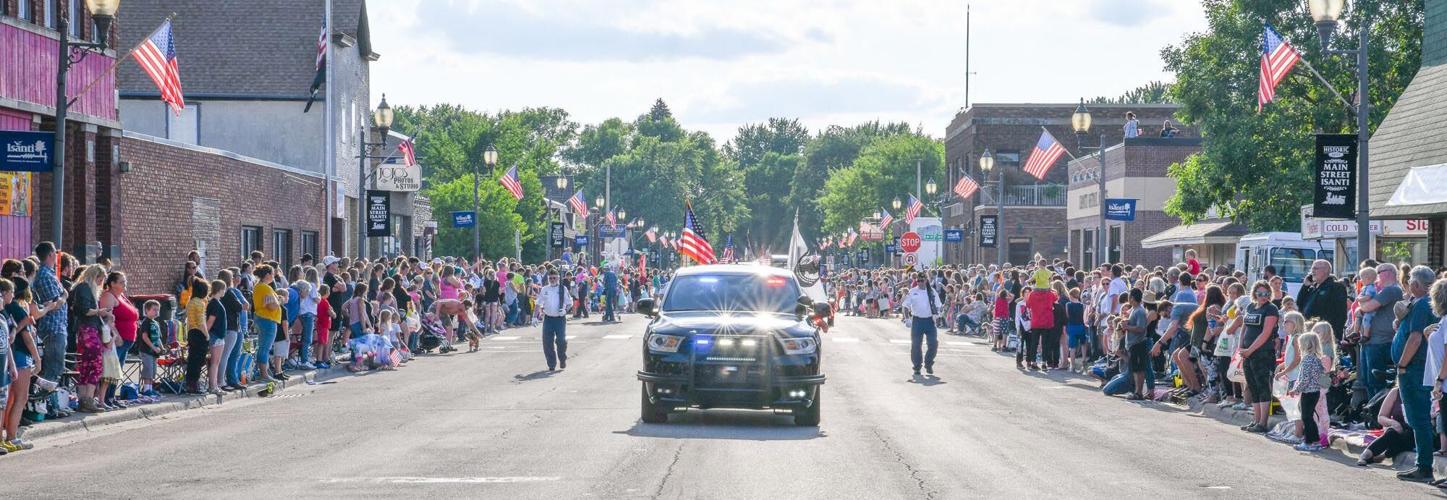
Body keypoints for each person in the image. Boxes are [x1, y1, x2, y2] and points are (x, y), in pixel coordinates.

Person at [1394, 266, 1441, 482]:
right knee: (1418, 417)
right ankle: (1423, 464)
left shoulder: (1422, 304)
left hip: (1414, 368)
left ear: (1415, 284)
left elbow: (1415, 338)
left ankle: (1423, 466)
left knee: (1418, 417)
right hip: (1417, 367)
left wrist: (1402, 365)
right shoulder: (1421, 303)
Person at [30, 242, 70, 419]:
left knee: (57, 368)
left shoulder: (51, 274)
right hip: (53, 328)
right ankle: (46, 407)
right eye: (55, 253)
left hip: (59, 327)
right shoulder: (45, 275)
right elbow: (55, 302)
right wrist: (63, 295)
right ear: (50, 254)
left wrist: (63, 297)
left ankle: (52, 405)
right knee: (53, 368)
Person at [1356, 264, 1402, 400]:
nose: (1376, 276)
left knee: (1376, 382)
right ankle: (1373, 414)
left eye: (1378, 272)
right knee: (1367, 380)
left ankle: (1378, 415)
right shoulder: (1383, 290)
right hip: (1371, 342)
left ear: (1388, 273)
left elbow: (1368, 307)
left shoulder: (1391, 290)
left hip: (1380, 342)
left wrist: (1361, 308)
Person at [72, 265, 114, 411]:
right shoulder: (84, 288)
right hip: (88, 330)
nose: (100, 283)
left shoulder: (81, 288)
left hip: (85, 330)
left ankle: (83, 400)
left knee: (85, 365)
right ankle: (88, 399)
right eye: (100, 279)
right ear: (94, 276)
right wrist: (100, 311)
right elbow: (84, 310)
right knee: (96, 364)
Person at [1239, 281, 1279, 433]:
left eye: (1267, 294)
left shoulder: (1271, 309)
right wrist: (1241, 346)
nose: (1264, 297)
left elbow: (1266, 332)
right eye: (1260, 293)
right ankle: (1255, 420)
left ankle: (1263, 422)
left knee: (1262, 385)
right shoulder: (1250, 306)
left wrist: (1250, 349)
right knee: (1252, 385)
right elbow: (1244, 326)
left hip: (1263, 352)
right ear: (1254, 293)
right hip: (1247, 352)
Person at [1287, 332, 1329, 451]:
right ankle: (1315, 441)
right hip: (1315, 391)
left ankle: (1309, 441)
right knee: (1309, 417)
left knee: (1306, 417)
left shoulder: (1307, 360)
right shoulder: (1316, 358)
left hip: (1308, 392)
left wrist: (1295, 390)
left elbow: (1304, 379)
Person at [1296, 259, 1348, 344]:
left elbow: (1341, 313)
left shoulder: (1335, 287)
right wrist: (1305, 287)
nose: (1312, 271)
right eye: (1312, 269)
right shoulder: (1313, 288)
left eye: (1315, 268)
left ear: (1326, 270)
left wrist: (1336, 334)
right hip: (1310, 330)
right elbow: (1299, 304)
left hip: (1325, 333)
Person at [903, 272, 943, 376]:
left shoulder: (932, 291)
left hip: (930, 320)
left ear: (926, 280)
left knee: (933, 344)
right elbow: (906, 306)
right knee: (916, 345)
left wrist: (938, 314)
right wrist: (907, 318)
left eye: (922, 280)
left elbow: (938, 305)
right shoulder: (912, 291)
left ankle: (928, 363)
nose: (920, 283)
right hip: (917, 321)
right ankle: (917, 366)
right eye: (918, 281)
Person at [252, 265, 284, 382]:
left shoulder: (259, 287)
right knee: (265, 348)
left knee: (263, 347)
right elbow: (272, 306)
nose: (274, 276)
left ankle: (263, 373)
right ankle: (264, 375)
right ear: (267, 275)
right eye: (272, 273)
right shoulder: (265, 288)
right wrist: (280, 300)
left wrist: (277, 300)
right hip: (267, 319)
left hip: (263, 318)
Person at [538, 270, 572, 371]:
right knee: (547, 342)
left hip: (560, 319)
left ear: (558, 278)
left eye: (554, 278)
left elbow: (570, 303)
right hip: (548, 318)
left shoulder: (562, 288)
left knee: (561, 340)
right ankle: (551, 364)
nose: (552, 280)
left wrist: (565, 310)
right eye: (550, 278)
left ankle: (562, 358)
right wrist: (535, 316)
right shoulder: (544, 289)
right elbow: (538, 303)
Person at [1122, 289, 1150, 400]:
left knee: (1139, 369)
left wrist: (1127, 327)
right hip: (1132, 344)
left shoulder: (1139, 311)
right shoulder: (1134, 310)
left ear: (1132, 298)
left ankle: (1139, 392)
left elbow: (1141, 328)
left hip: (1138, 343)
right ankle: (1136, 391)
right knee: (1135, 369)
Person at [204, 279, 228, 395]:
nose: (225, 291)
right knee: (215, 362)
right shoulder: (215, 304)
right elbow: (210, 321)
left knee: (215, 362)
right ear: (220, 290)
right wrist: (206, 334)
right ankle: (213, 386)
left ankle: (214, 385)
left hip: (218, 335)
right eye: (224, 289)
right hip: (216, 335)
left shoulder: (214, 302)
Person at [136, 300, 163, 399]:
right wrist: (153, 347)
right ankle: (146, 389)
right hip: (146, 350)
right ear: (147, 310)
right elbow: (145, 337)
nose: (156, 312)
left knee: (153, 371)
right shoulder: (146, 322)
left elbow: (158, 337)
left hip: (154, 352)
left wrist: (161, 347)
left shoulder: (155, 323)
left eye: (158, 310)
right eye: (154, 310)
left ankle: (150, 389)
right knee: (148, 369)